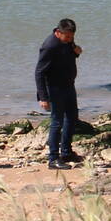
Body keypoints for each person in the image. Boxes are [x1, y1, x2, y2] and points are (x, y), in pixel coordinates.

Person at [35, 18, 83, 169]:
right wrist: (43, 97)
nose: (70, 40)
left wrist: (76, 51)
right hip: (54, 88)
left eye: (72, 37)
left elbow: (69, 55)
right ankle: (53, 158)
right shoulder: (49, 47)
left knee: (72, 118)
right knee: (57, 122)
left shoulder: (67, 41)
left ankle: (67, 152)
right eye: (67, 37)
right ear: (58, 32)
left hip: (68, 85)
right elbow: (39, 73)